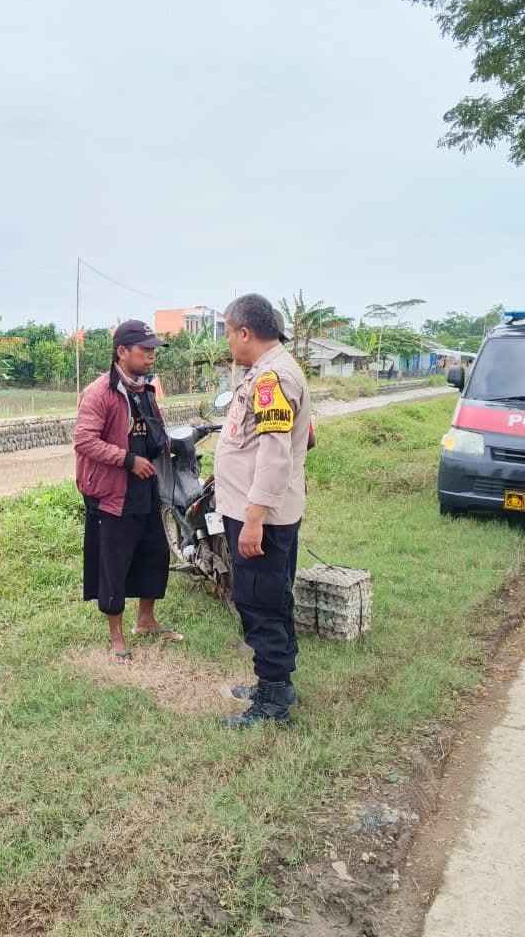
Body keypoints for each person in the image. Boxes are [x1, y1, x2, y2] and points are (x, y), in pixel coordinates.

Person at [214, 293, 311, 727]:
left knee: (260, 602)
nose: (228, 343)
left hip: (261, 517)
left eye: (228, 333)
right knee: (272, 596)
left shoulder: (272, 378)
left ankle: (272, 702)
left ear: (245, 332)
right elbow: (302, 437)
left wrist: (253, 519)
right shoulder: (274, 370)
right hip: (264, 509)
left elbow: (274, 454)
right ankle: (276, 684)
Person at [74, 319, 181, 663]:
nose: (151, 355)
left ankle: (146, 620)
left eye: (153, 350)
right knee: (114, 563)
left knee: (154, 553)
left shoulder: (145, 391)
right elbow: (84, 441)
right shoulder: (99, 393)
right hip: (112, 492)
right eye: (145, 349)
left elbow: (153, 432)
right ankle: (116, 636)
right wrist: (127, 459)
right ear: (122, 351)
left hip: (147, 487)